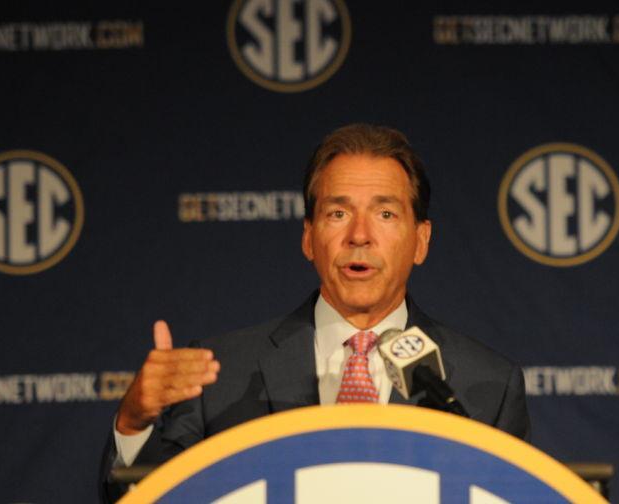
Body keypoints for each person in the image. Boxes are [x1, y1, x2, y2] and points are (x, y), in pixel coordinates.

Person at [100, 124, 530, 501]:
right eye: (338, 213)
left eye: (384, 213)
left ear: (421, 240)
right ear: (309, 238)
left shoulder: (486, 385)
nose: (359, 235)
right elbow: (150, 498)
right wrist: (134, 423)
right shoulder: (220, 375)